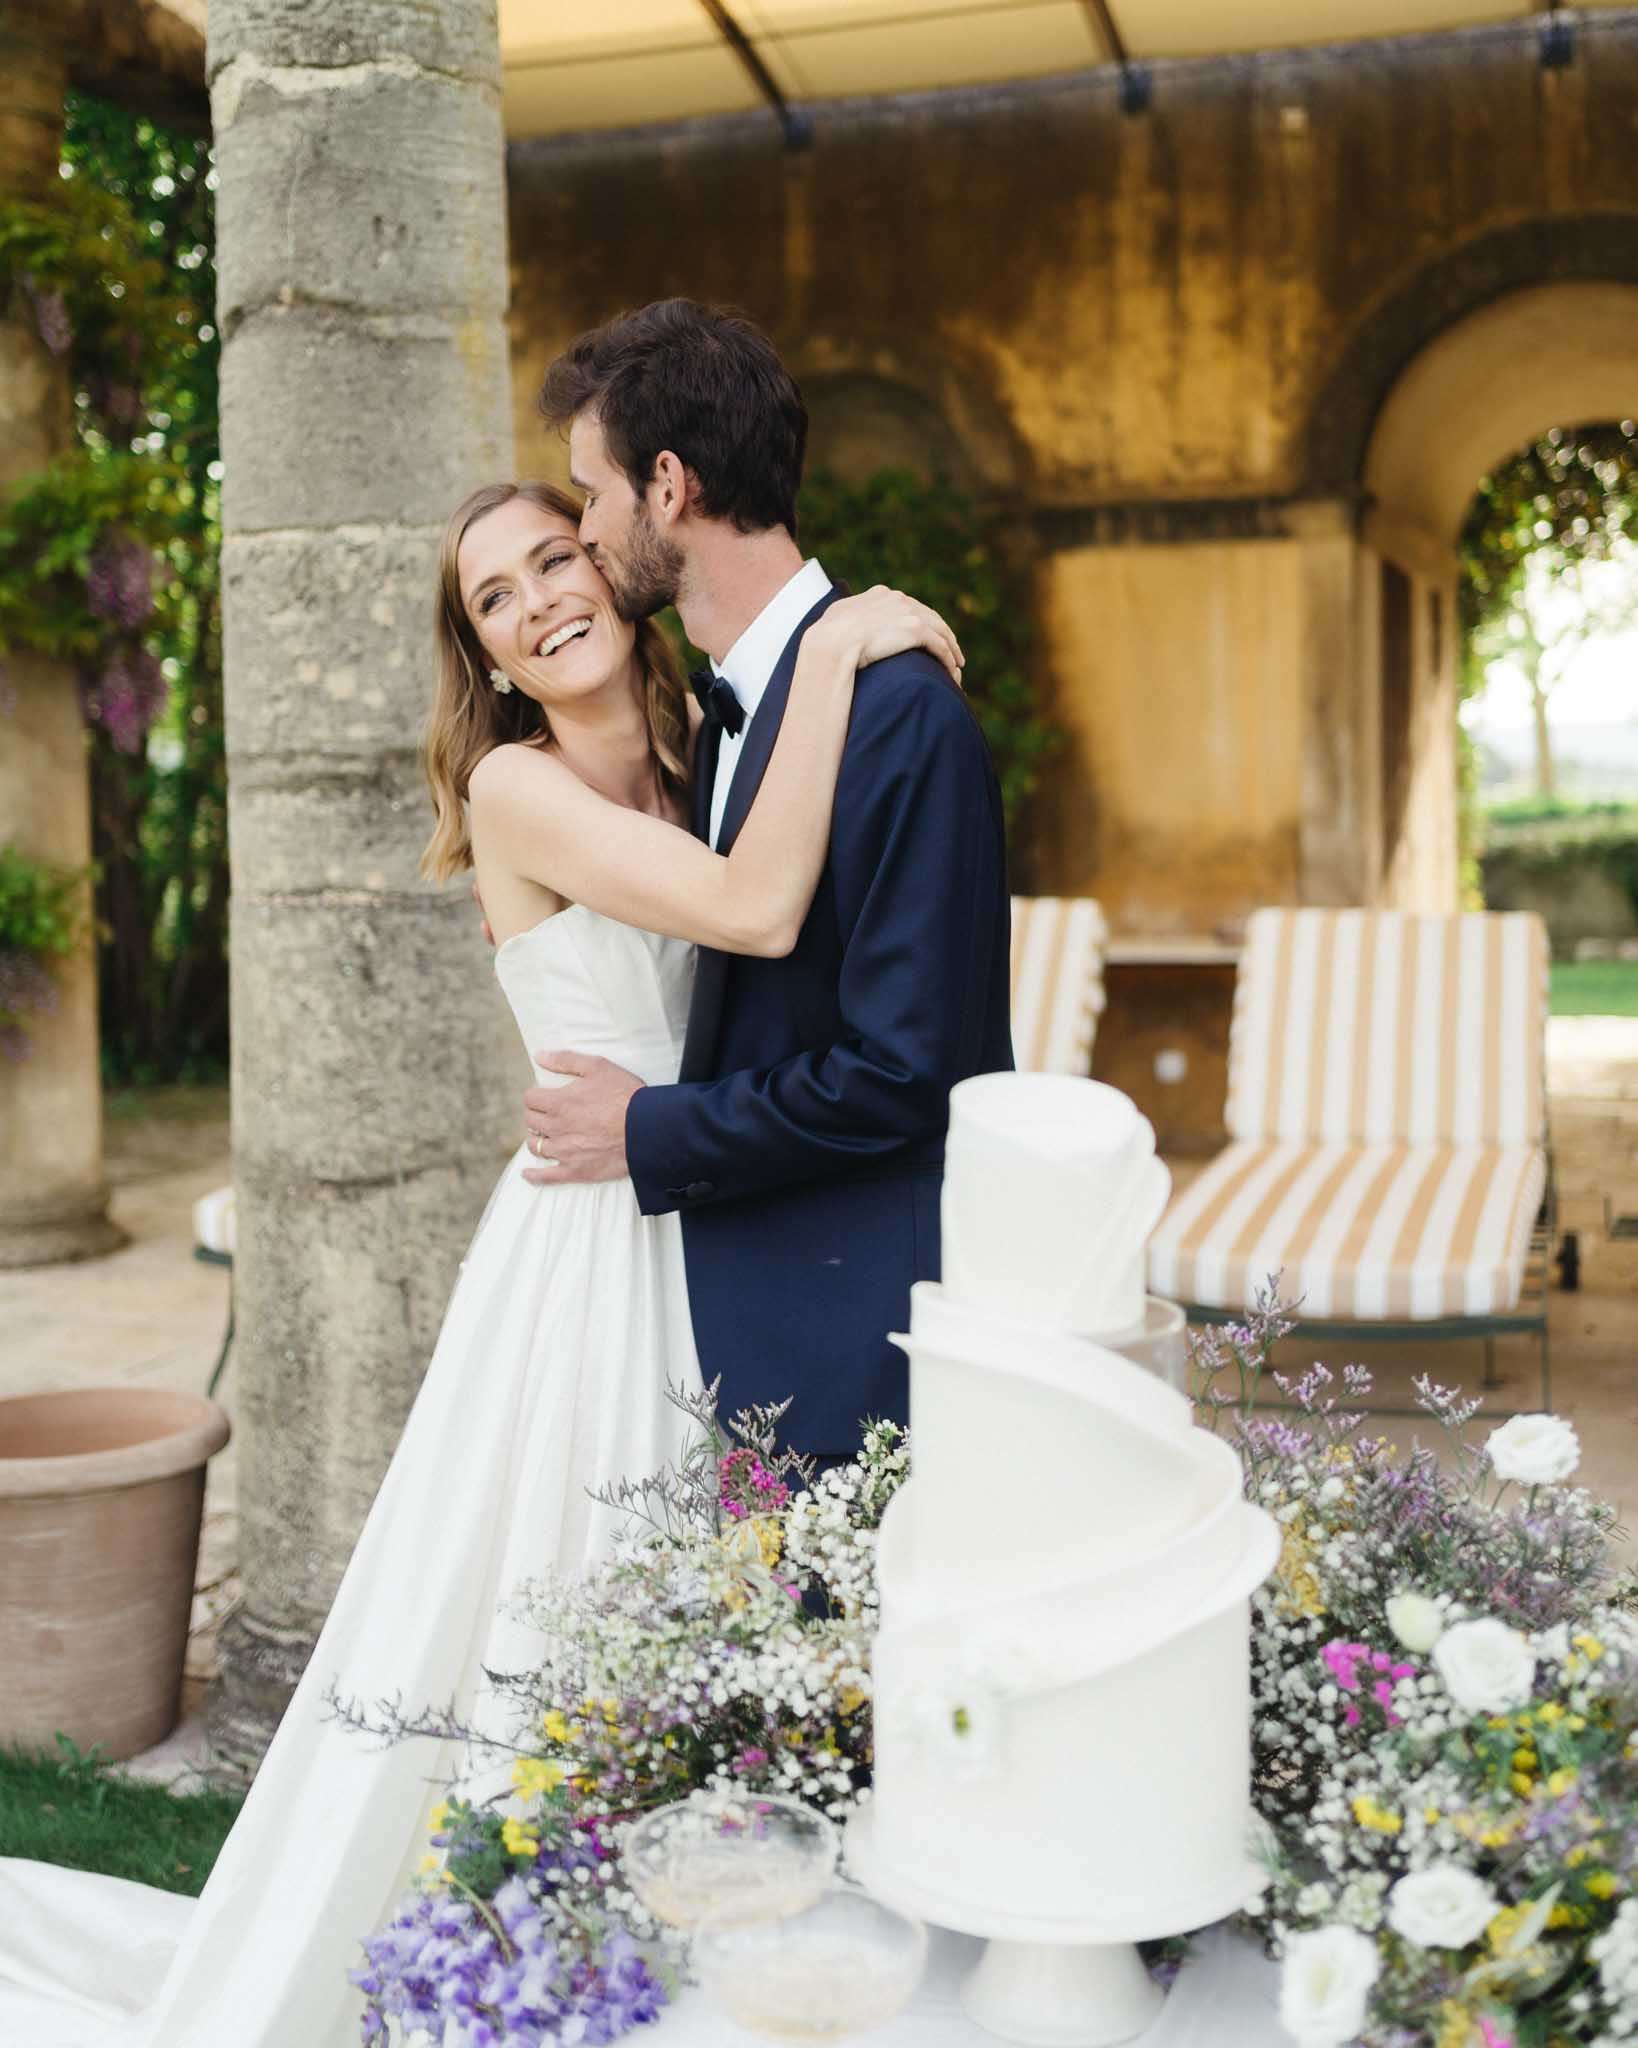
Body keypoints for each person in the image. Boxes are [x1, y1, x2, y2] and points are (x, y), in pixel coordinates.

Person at [0, 480, 962, 2047]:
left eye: (554, 561)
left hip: (715, 1210)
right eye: (494, 600)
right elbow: (751, 907)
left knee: (715, 1595)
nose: (536, 604)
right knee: (580, 1585)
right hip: (594, 1242)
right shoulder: (517, 790)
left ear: (611, 566)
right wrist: (849, 643)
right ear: (490, 657)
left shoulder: (708, 748)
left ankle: (719, 1936)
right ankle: (542, 1960)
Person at [517, 299, 1014, 1459]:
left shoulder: (899, 713)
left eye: (593, 491)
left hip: (848, 1319)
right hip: (710, 1304)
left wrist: (650, 1129)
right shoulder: (697, 724)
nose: (585, 530)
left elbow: (903, 1072)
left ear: (672, 484)